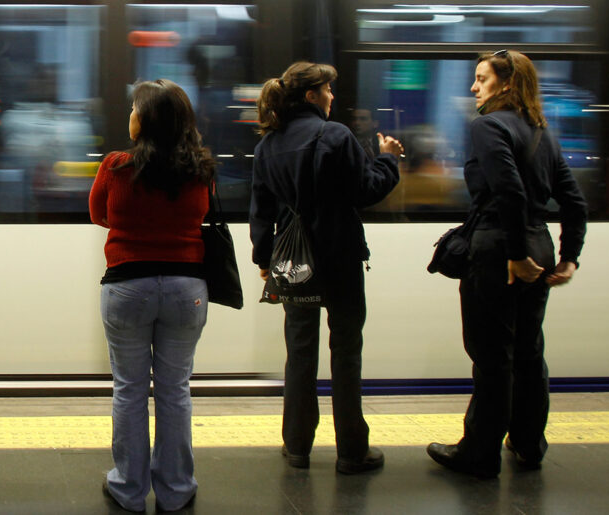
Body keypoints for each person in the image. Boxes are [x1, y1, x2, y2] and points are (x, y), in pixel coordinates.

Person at [427, 50, 587, 478]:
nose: (474, 88)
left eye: (482, 79)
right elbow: (574, 201)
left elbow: (508, 192)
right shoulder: (542, 132)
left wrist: (516, 256)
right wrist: (569, 255)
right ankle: (528, 443)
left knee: (492, 354)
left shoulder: (488, 126)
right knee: (529, 350)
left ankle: (480, 452)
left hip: (501, 249)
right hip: (537, 242)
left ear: (507, 84)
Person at [249, 61, 402, 474]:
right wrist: (388, 160)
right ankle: (352, 451)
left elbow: (261, 212)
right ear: (312, 95)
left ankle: (297, 445)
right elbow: (367, 190)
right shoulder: (336, 136)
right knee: (346, 352)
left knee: (299, 352)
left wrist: (264, 260)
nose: (333, 96)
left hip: (292, 259)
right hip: (340, 257)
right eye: (329, 90)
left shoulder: (268, 145)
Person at [89, 79, 215, 513]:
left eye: (133, 108)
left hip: (127, 285)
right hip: (187, 288)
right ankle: (177, 489)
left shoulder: (116, 166)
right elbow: (202, 216)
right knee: (175, 390)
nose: (129, 114)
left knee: (128, 389)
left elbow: (97, 214)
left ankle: (127, 489)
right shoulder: (200, 168)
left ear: (144, 119)